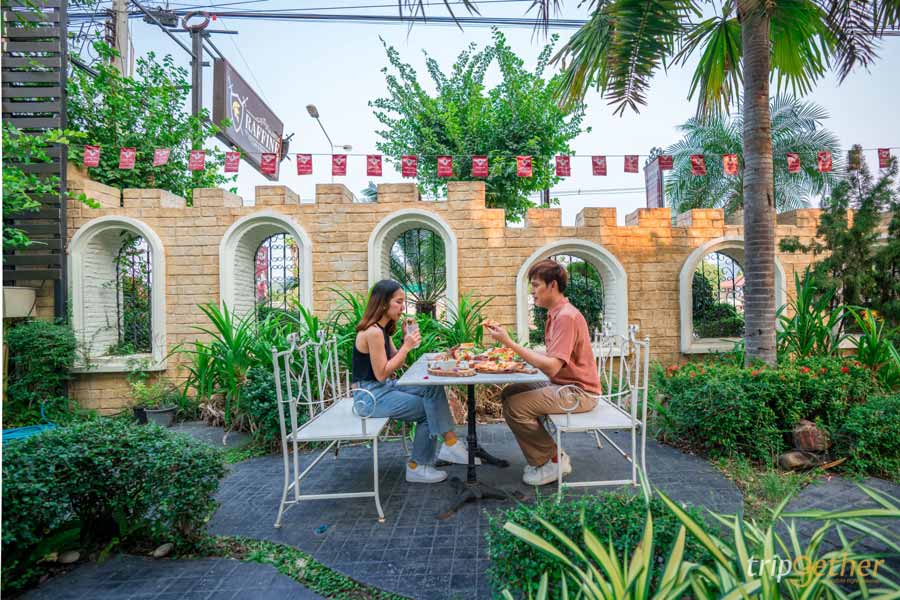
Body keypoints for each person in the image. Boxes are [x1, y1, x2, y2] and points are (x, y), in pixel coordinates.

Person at [484, 259, 601, 486]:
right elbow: (552, 358)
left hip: (579, 393)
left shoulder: (566, 317)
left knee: (515, 406)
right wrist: (515, 353)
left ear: (553, 285)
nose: (532, 291)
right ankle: (547, 455)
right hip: (563, 385)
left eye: (536, 285)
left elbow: (552, 366)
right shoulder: (556, 314)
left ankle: (553, 460)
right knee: (510, 393)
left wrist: (509, 343)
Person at [352, 279, 470, 483]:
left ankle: (450, 443)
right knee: (426, 410)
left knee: (431, 388)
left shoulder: (382, 329)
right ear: (383, 304)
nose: (403, 307)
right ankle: (417, 466)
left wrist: (405, 342)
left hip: (383, 388)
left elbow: (395, 361)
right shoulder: (373, 332)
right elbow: (382, 373)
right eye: (398, 302)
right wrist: (406, 347)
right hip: (370, 397)